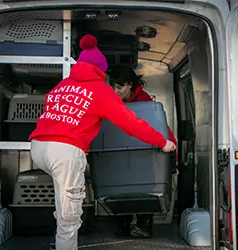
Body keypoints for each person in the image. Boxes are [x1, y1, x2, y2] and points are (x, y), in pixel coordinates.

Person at [29, 35, 176, 250]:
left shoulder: (62, 86)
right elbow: (131, 123)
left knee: (64, 198)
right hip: (65, 151)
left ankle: (61, 230)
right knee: (70, 215)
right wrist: (162, 142)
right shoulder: (100, 91)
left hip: (38, 148)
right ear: (100, 70)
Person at [108, 65, 178, 239]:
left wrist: (172, 157)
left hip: (143, 152)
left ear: (129, 85)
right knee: (123, 188)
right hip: (123, 152)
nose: (115, 91)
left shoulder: (144, 101)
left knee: (142, 189)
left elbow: (159, 128)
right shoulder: (118, 100)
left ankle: (143, 225)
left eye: (119, 87)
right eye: (113, 87)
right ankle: (124, 224)